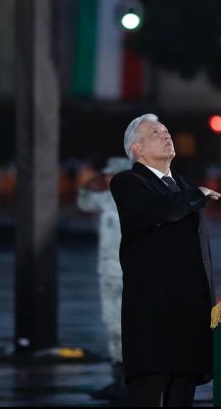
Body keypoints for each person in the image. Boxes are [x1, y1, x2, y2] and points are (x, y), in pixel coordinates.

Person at [110, 113, 221, 407]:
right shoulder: (128, 182)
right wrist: (197, 196)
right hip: (153, 325)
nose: (166, 135)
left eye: (167, 131)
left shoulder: (183, 186)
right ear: (137, 149)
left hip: (188, 324)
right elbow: (161, 210)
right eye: (156, 133)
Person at [77, 156, 131, 401]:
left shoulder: (133, 201)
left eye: (112, 174)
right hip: (108, 275)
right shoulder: (108, 199)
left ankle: (130, 382)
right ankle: (117, 378)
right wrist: (89, 183)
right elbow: (84, 203)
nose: (108, 177)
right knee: (112, 328)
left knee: (126, 329)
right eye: (107, 174)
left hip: (127, 275)